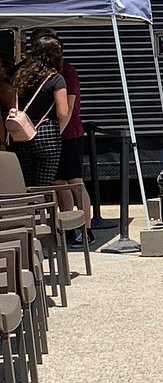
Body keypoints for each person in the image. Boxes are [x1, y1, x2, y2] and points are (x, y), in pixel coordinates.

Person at [30, 29, 95, 246]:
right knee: (59, 183)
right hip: (57, 135)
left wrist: (56, 134)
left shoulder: (65, 72)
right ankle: (70, 229)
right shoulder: (47, 72)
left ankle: (86, 228)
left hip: (68, 134)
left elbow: (67, 108)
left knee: (74, 181)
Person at [9, 36, 70, 185]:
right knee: (43, 185)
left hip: (21, 134)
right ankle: (40, 208)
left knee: (27, 184)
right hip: (46, 133)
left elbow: (13, 107)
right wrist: (57, 131)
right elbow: (62, 112)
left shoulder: (20, 76)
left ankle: (29, 208)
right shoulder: (56, 79)